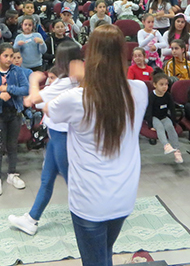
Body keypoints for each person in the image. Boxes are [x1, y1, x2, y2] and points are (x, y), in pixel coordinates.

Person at [46, 25, 148, 266]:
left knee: (95, 260)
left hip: (89, 200)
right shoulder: (140, 90)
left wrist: (72, 80)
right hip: (124, 196)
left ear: (89, 56)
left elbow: (51, 108)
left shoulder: (76, 98)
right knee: (104, 253)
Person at [8, 41, 81, 235]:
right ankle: (32, 219)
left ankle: (92, 219)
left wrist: (33, 80)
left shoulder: (67, 82)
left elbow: (32, 101)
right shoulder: (67, 79)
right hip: (56, 135)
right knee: (47, 179)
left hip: (63, 137)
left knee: (74, 184)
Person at [0, 43, 29, 196]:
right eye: (6, 56)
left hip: (14, 113)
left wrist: (9, 89)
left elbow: (25, 89)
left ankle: (12, 174)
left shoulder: (18, 72)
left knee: (12, 145)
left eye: (11, 56)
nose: (9, 59)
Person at [145, 72, 183, 164]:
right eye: (161, 84)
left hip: (164, 116)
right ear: (155, 85)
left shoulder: (168, 95)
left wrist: (174, 122)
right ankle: (166, 145)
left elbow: (172, 109)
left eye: (166, 84)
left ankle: (176, 150)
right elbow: (148, 111)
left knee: (170, 127)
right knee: (160, 127)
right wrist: (150, 125)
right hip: (153, 117)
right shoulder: (152, 96)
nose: (164, 87)